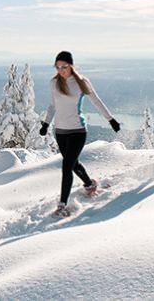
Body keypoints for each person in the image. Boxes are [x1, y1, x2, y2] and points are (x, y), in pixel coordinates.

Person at [40, 51, 120, 217]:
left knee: (67, 166)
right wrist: (46, 124)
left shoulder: (81, 82)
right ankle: (90, 185)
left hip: (77, 131)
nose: (61, 70)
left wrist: (110, 119)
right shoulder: (54, 83)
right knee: (73, 164)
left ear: (71, 65)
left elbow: (96, 101)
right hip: (60, 132)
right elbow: (52, 105)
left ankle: (62, 205)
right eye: (58, 67)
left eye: (64, 66)